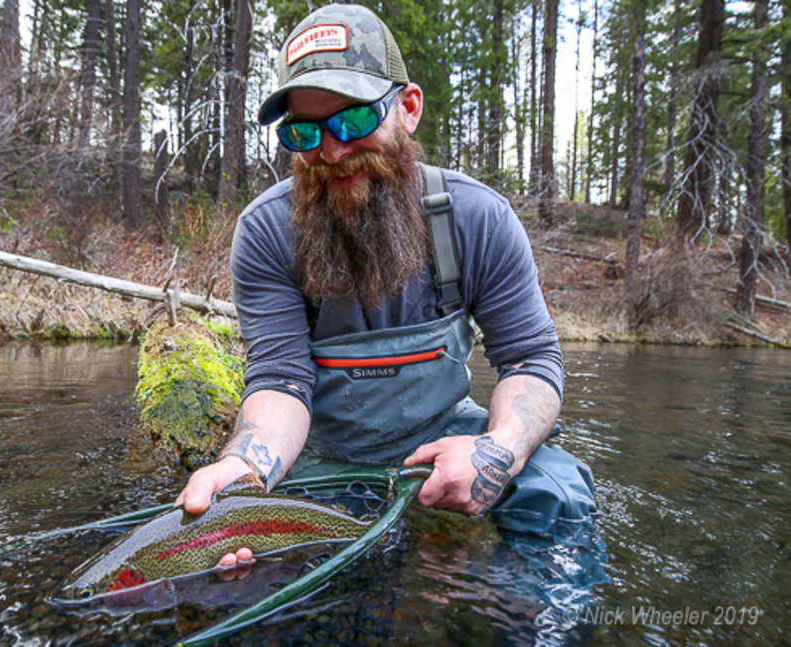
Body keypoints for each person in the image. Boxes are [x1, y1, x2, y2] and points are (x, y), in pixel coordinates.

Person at [176, 3, 597, 571]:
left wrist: (499, 449)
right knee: (245, 554)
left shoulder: (478, 219)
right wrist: (246, 470)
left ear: (408, 107)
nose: (331, 150)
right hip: (321, 457)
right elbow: (280, 381)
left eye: (352, 120)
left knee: (561, 494)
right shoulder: (267, 231)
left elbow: (530, 360)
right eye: (304, 131)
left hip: (442, 441)